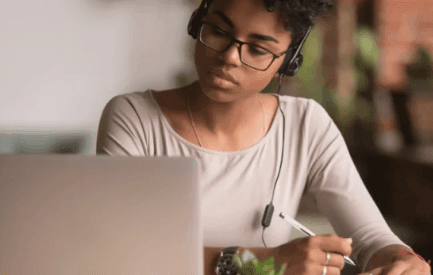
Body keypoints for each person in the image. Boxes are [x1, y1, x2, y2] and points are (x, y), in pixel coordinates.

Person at [96, 0, 431, 274]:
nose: (229, 56)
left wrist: (402, 261)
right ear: (198, 23)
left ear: (287, 62)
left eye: (257, 49)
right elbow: (120, 254)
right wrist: (259, 262)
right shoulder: (133, 117)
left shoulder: (305, 124)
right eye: (218, 31)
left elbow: (372, 240)